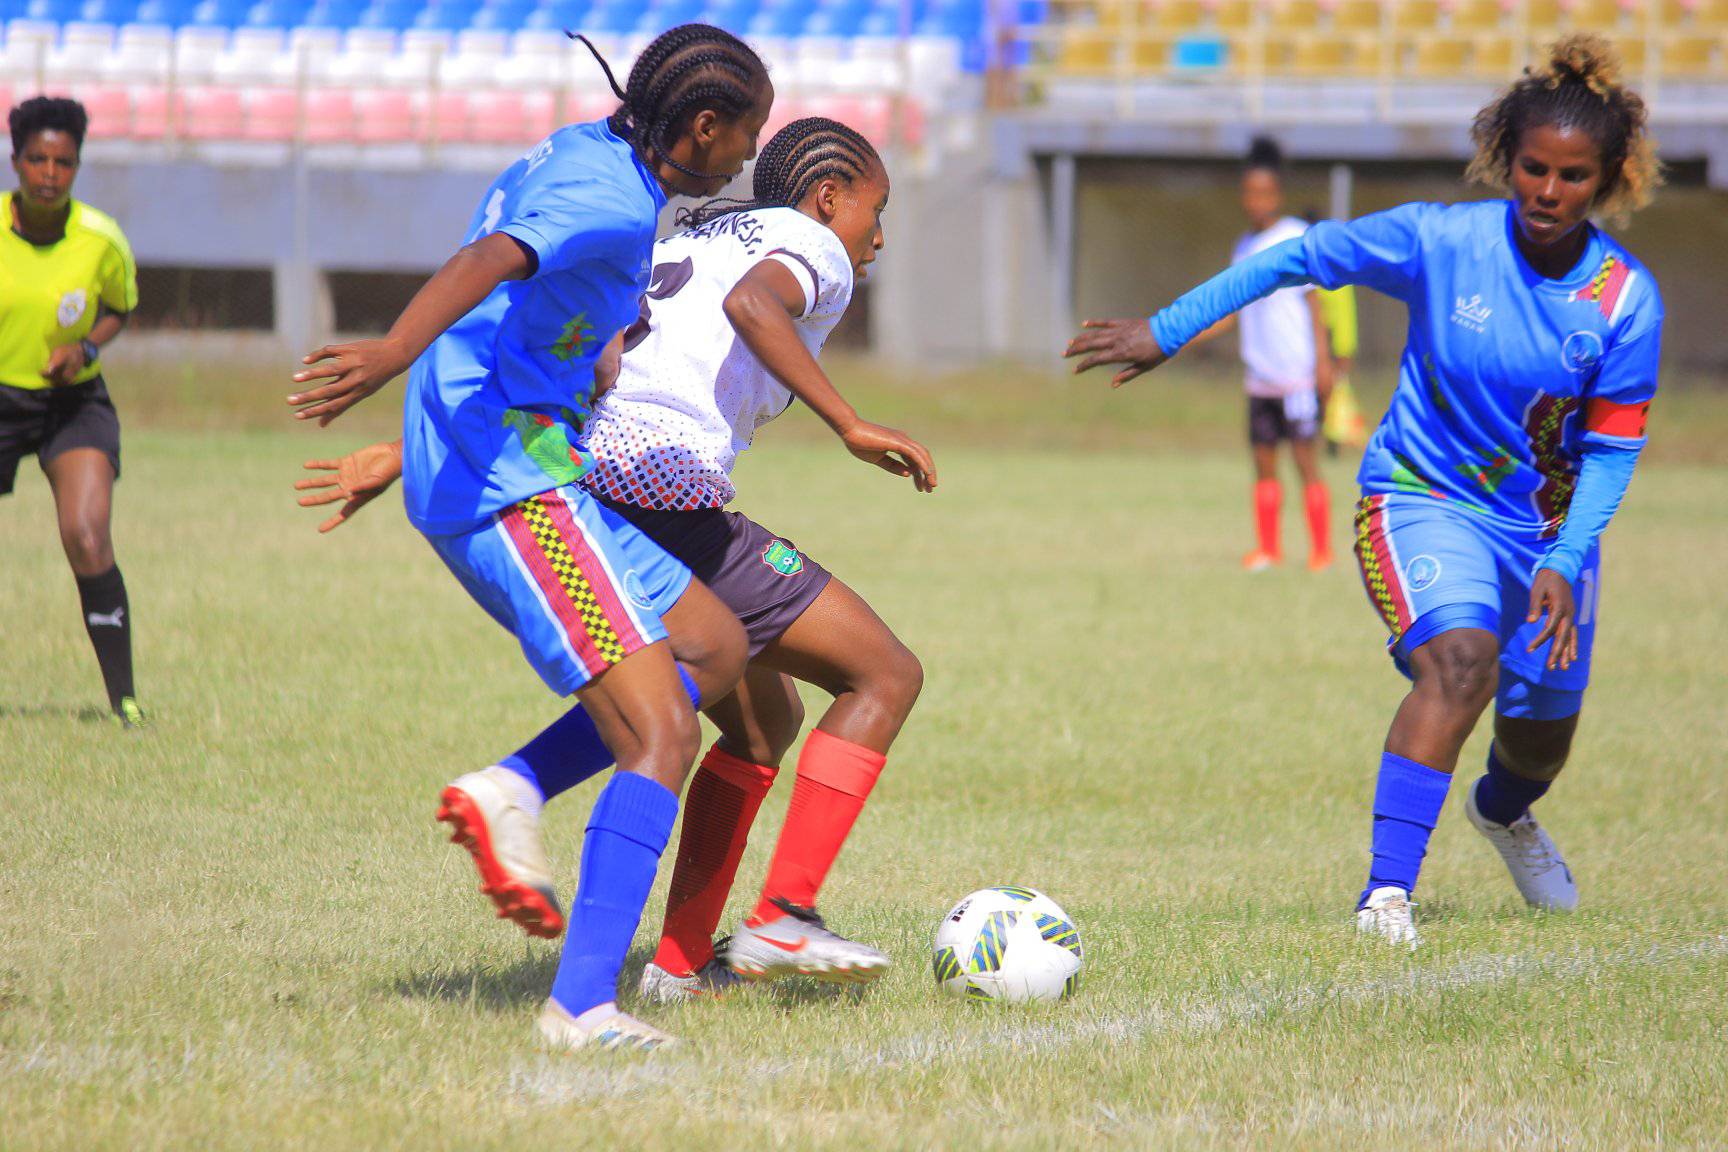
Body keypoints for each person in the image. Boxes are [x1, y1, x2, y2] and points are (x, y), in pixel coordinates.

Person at [297, 117, 936, 1002]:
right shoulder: (809, 244)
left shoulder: (700, 230)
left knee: (758, 723)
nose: (878, 236)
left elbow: (604, 360)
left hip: (596, 468)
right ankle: (782, 909)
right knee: (885, 675)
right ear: (830, 197)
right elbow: (755, 307)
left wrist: (405, 451)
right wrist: (851, 424)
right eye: (877, 209)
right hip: (668, 488)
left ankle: (678, 966)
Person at [1065, 35, 1662, 948]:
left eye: (1572, 177)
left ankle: (1503, 814)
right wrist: (1169, 327)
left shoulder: (1627, 302)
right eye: (1533, 169)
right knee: (1460, 664)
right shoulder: (1438, 239)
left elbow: (1613, 455)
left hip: (1547, 537)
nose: (1547, 193)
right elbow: (1294, 259)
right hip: (1422, 496)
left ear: (1609, 177)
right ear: (1507, 158)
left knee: (1539, 742)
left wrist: (1567, 557)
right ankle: (1386, 900)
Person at [285, 24, 774, 1052]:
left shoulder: (590, 155)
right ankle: (582, 1008)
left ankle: (511, 786)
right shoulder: (606, 197)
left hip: (523, 458)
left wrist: (417, 438)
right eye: (745, 135)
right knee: (662, 735)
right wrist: (392, 355)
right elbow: (488, 260)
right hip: (513, 485)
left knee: (717, 647)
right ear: (700, 125)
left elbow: (523, 304)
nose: (747, 157)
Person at [0, 97, 143, 727]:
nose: (49, 173)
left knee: (87, 535)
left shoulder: (101, 238)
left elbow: (120, 307)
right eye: (37, 159)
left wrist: (85, 345)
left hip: (72, 403)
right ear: (15, 161)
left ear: (77, 165)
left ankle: (125, 702)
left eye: (63, 161)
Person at [1192, 138, 1335, 572]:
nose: (1256, 201)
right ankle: (1269, 549)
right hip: (1260, 375)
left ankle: (1320, 550)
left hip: (1296, 374)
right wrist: (1185, 335)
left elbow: (1314, 305)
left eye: (1264, 193)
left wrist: (1323, 363)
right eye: (1249, 194)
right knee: (1262, 460)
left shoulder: (1293, 237)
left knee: (1305, 460)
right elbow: (1232, 312)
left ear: (1277, 195)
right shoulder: (1241, 246)